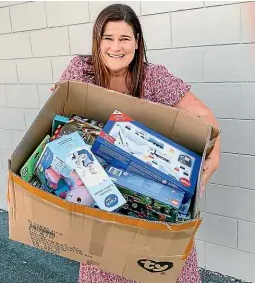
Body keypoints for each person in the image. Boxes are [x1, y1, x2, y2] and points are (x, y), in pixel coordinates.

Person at [54, 4, 221, 283]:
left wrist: (214, 157)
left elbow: (205, 117)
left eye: (124, 39)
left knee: (161, 268)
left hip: (152, 197)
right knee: (108, 268)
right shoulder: (80, 71)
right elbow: (56, 119)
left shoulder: (153, 77)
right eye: (108, 38)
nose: (116, 47)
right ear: (97, 41)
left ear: (137, 42)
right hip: (98, 197)